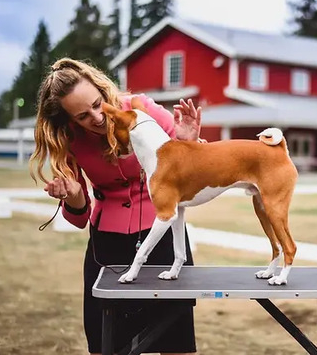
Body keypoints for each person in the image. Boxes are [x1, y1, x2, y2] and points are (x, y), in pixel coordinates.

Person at [29, 57, 201, 355]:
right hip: (106, 248)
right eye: (82, 116)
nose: (96, 117)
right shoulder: (67, 140)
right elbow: (79, 217)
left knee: (175, 343)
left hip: (162, 240)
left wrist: (190, 145)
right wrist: (73, 196)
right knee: (107, 344)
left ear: (101, 88)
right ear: (69, 120)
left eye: (97, 104)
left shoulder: (142, 108)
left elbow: (195, 176)